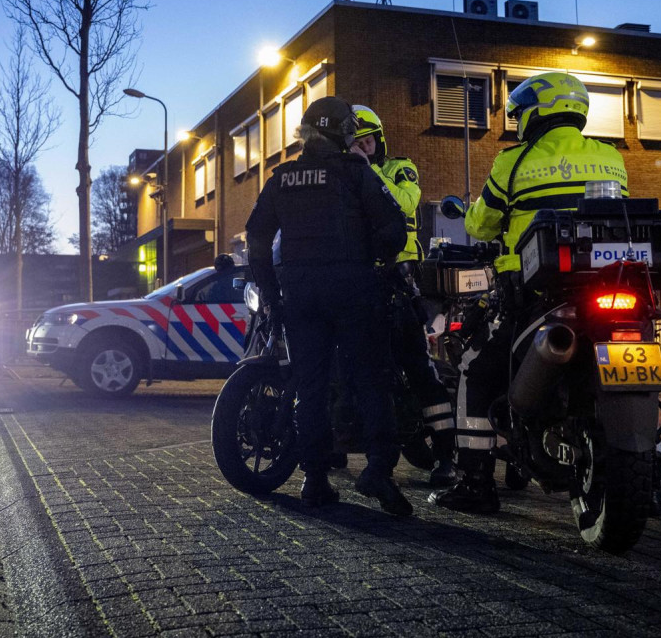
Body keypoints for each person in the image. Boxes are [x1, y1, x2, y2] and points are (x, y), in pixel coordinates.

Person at [429, 71, 630, 513]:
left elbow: (480, 224)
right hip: (606, 283)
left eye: (520, 115)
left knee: (476, 370)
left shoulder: (514, 161)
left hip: (535, 291)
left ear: (537, 113)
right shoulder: (609, 155)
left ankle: (475, 483)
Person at [245, 97, 414, 517]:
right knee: (372, 381)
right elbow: (394, 231)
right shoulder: (355, 172)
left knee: (311, 387)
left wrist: (271, 291)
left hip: (299, 294)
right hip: (354, 289)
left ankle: (315, 480)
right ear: (342, 132)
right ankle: (378, 470)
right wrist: (368, 256)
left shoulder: (281, 177)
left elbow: (256, 236)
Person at [350, 105, 457, 486]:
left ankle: (447, 456)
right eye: (354, 143)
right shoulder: (347, 175)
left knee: (418, 365)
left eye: (366, 141)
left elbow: (405, 203)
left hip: (402, 277)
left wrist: (366, 167)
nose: (361, 148)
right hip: (360, 278)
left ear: (377, 140)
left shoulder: (398, 168)